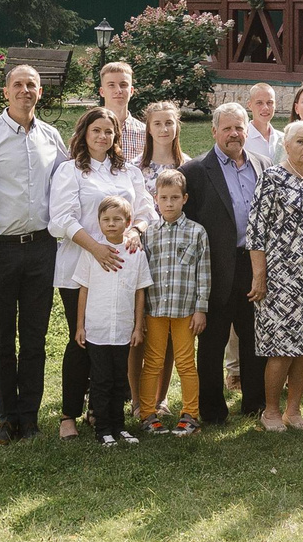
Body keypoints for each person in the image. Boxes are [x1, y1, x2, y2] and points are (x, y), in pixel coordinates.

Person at [0, 63, 67, 444]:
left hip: (42, 249)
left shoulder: (50, 137)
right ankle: (6, 417)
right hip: (0, 250)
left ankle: (29, 417)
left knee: (35, 336)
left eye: (32, 85)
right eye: (18, 85)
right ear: (6, 92)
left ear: (40, 92)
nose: (25, 90)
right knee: (1, 337)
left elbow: (67, 183)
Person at [51, 105, 146, 437]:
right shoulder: (71, 171)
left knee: (114, 341)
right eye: (96, 130)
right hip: (81, 265)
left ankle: (100, 410)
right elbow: (60, 219)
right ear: (84, 133)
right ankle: (68, 414)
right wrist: (96, 248)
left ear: (116, 136)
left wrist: (136, 231)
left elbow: (146, 210)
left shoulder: (127, 171)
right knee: (83, 340)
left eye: (109, 131)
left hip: (122, 270)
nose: (103, 136)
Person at [181, 103, 264, 426]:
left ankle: (255, 404)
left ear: (247, 130)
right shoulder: (195, 171)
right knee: (212, 343)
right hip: (214, 269)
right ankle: (213, 410)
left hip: (254, 265)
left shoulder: (262, 165)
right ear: (214, 131)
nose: (234, 134)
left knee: (253, 338)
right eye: (227, 128)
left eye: (239, 127)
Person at [248, 119, 303, 430]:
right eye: (300, 142)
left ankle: (293, 411)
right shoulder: (272, 178)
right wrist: (259, 276)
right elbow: (256, 231)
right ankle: (271, 411)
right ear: (286, 145)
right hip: (279, 279)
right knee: (281, 348)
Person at [70, 195, 152, 444]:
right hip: (97, 329)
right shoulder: (91, 253)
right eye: (106, 219)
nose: (111, 224)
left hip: (123, 330)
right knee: (101, 380)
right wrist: (80, 326)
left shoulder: (135, 254)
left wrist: (138, 326)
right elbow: (83, 290)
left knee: (119, 380)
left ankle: (119, 426)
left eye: (117, 219)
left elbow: (140, 291)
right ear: (99, 222)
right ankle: (103, 428)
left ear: (128, 222)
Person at [137, 170, 210, 434]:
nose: (169, 203)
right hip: (155, 309)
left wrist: (201, 309)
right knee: (152, 363)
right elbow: (142, 274)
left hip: (185, 310)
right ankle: (147, 414)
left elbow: (203, 273)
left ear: (184, 199)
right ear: (155, 199)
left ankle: (190, 414)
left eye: (175, 198)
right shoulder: (149, 234)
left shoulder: (197, 232)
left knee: (186, 363)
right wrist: (141, 314)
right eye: (164, 198)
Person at [96, 59, 148, 165]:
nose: (118, 90)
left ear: (131, 91)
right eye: (111, 85)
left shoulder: (145, 133)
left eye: (123, 85)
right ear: (102, 91)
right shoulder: (87, 132)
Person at [243, 81, 283, 168]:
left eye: (269, 103)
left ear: (275, 105)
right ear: (249, 105)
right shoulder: (243, 139)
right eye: (259, 103)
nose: (265, 108)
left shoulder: (283, 139)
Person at [142, 99, 188, 175]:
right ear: (149, 129)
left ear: (176, 127)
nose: (164, 129)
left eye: (168, 123)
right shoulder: (135, 167)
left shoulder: (188, 166)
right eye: (157, 124)